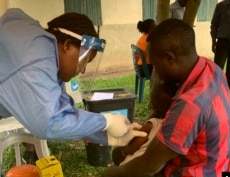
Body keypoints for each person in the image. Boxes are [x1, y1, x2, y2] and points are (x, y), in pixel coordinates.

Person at [85, 18, 230, 177]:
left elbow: (147, 167)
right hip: (214, 170)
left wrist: (111, 173)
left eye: (155, 65)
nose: (155, 72)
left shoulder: (191, 105)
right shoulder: (211, 69)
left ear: (169, 58)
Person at [0, 9, 147, 164]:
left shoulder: (47, 56)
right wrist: (106, 121)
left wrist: (107, 136)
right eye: (84, 60)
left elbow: (66, 114)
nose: (82, 69)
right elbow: (49, 122)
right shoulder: (35, 58)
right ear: (67, 46)